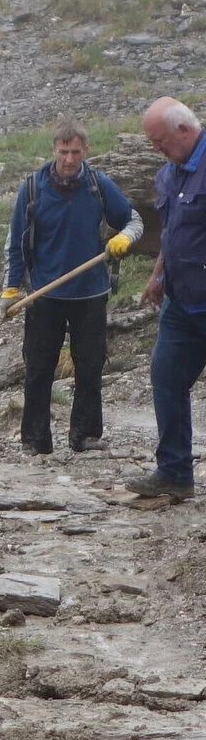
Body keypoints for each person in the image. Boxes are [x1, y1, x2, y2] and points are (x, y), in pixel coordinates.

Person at [0, 120, 141, 455]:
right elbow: (16, 243)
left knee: (90, 365)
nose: (69, 159)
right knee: (38, 367)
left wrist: (124, 238)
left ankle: (86, 435)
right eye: (63, 152)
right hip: (44, 293)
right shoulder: (33, 188)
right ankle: (35, 440)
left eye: (75, 152)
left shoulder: (98, 184)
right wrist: (10, 290)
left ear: (85, 151)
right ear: (54, 151)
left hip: (90, 292)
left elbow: (134, 220)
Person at [126, 97, 206, 501]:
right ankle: (174, 473)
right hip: (180, 301)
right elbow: (172, 232)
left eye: (158, 141)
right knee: (166, 377)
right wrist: (157, 275)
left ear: (183, 131)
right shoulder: (169, 175)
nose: (155, 148)